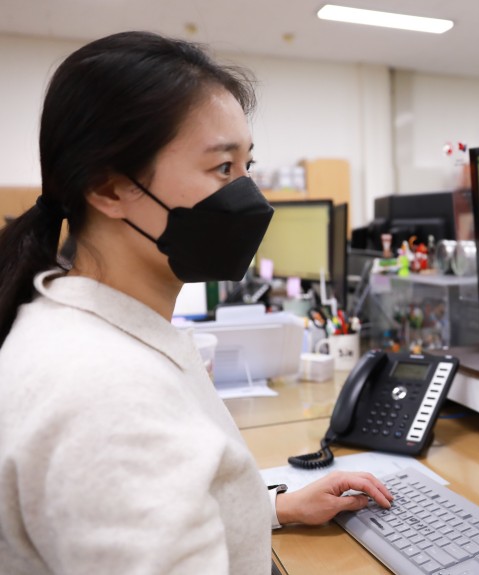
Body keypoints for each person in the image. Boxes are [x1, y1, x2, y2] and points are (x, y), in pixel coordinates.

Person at [0, 31, 392, 574]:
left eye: (247, 166)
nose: (248, 195)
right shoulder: (104, 391)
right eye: (222, 168)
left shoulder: (96, 331)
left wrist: (271, 507)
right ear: (110, 190)